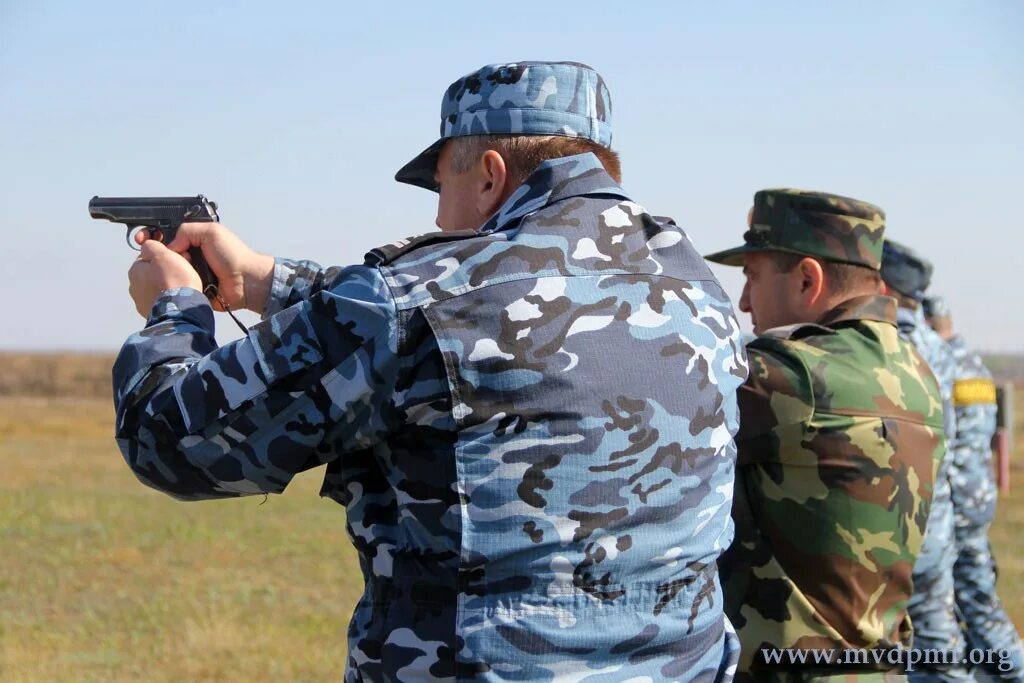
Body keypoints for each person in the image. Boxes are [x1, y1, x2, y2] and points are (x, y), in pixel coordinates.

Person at [113, 61, 749, 681]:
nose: (441, 218)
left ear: (490, 176)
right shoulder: (693, 286)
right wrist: (266, 281)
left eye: (442, 184)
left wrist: (174, 312)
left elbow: (169, 440)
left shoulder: (424, 301)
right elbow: (462, 307)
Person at [705, 189, 946, 682]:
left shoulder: (793, 375)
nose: (745, 300)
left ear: (808, 279)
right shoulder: (915, 370)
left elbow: (648, 415)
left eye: (752, 276)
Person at [924, 295, 1024, 682]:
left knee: (971, 601)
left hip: (955, 503)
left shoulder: (942, 365)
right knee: (974, 597)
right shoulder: (977, 367)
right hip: (978, 496)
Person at [880, 240, 966, 683]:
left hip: (893, 527)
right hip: (938, 522)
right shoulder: (942, 347)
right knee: (938, 649)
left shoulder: (888, 346)